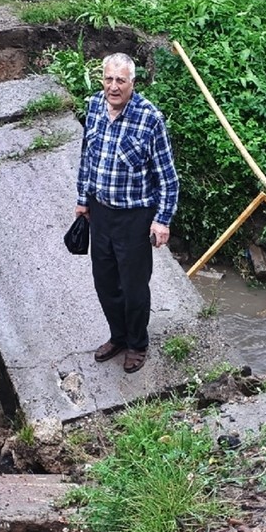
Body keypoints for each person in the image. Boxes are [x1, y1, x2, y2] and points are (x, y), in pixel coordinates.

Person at [75, 52, 179, 374]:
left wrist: (162, 221)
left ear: (133, 83)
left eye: (121, 80)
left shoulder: (150, 119)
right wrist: (82, 200)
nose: (114, 86)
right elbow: (86, 158)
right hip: (100, 213)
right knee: (104, 282)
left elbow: (168, 178)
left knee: (134, 287)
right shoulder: (93, 106)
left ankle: (137, 343)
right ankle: (118, 336)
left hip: (134, 218)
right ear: (101, 79)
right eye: (109, 79)